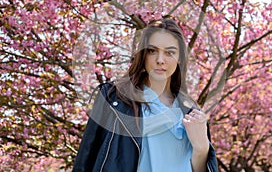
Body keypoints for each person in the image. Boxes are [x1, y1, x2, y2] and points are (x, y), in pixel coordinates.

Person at [73, 18, 218, 172]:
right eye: (152, 51)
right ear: (143, 55)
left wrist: (202, 148)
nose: (160, 60)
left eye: (169, 52)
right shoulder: (114, 99)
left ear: (180, 58)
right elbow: (85, 160)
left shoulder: (191, 112)